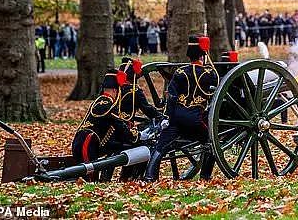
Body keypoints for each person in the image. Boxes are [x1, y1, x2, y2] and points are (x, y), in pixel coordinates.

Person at [144, 34, 219, 181]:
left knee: (160, 147)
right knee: (212, 142)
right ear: (203, 55)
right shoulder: (210, 74)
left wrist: (166, 118)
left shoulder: (179, 72)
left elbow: (171, 98)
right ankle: (205, 176)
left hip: (176, 118)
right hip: (195, 121)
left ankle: (150, 177)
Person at [72, 69, 148, 180]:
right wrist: (138, 136)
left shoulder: (100, 101)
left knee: (91, 178)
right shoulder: (107, 104)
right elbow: (119, 126)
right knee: (89, 180)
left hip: (86, 142)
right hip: (87, 144)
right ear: (115, 90)